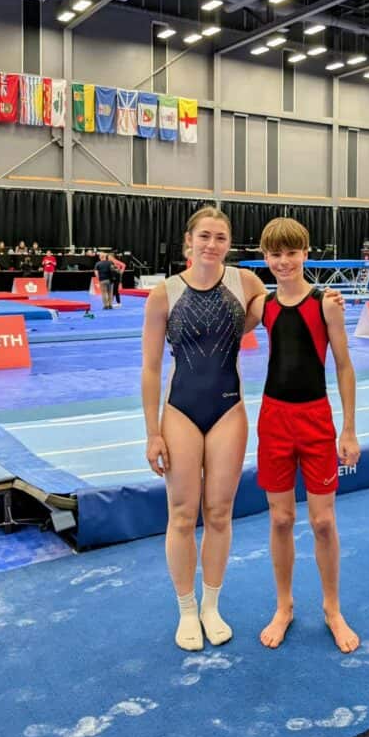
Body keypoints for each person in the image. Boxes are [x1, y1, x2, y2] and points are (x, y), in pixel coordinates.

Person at [141, 207, 269, 651]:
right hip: (180, 411)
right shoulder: (164, 294)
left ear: (228, 245)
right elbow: (151, 368)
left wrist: (327, 302)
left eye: (220, 238)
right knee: (181, 513)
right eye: (204, 237)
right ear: (188, 242)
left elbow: (288, 302)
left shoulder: (245, 284)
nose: (211, 245)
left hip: (228, 410)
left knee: (218, 512)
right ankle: (186, 609)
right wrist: (152, 431)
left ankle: (212, 604)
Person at [248, 217, 361, 654]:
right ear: (265, 259)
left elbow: (344, 366)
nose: (283, 261)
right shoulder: (263, 307)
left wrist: (348, 428)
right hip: (274, 418)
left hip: (316, 419)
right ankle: (284, 605)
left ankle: (332, 608)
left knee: (323, 521)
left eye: (292, 253)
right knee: (280, 519)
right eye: (275, 254)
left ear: (306, 254)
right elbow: (228, 285)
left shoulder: (325, 304)